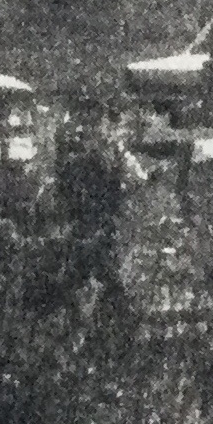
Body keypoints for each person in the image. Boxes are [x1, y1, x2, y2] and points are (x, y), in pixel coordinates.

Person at [49, 97, 143, 313]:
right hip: (86, 231)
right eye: (87, 121)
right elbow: (64, 195)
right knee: (80, 280)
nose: (90, 128)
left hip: (100, 230)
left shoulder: (113, 157)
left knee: (100, 279)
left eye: (94, 122)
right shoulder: (75, 159)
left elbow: (123, 191)